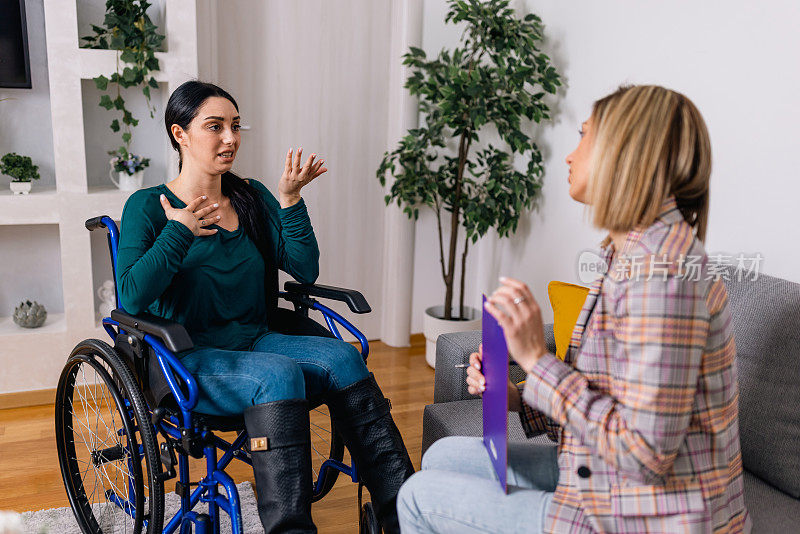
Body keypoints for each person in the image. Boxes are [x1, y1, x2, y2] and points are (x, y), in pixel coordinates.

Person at [397, 85, 751, 533]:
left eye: (584, 136)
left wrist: (536, 360)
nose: (570, 155)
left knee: (416, 498)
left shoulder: (663, 277)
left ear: (625, 155)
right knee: (441, 456)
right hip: (607, 482)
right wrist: (516, 395)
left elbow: (644, 455)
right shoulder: (627, 253)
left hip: (645, 514)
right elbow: (607, 397)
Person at [116, 80, 414, 534]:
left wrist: (291, 200)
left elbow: (305, 268)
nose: (230, 138)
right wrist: (178, 231)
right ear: (180, 134)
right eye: (214, 127)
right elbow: (132, 295)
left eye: (235, 126)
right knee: (278, 374)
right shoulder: (148, 206)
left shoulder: (250, 196)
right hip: (187, 358)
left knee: (344, 356)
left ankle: (404, 514)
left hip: (256, 339)